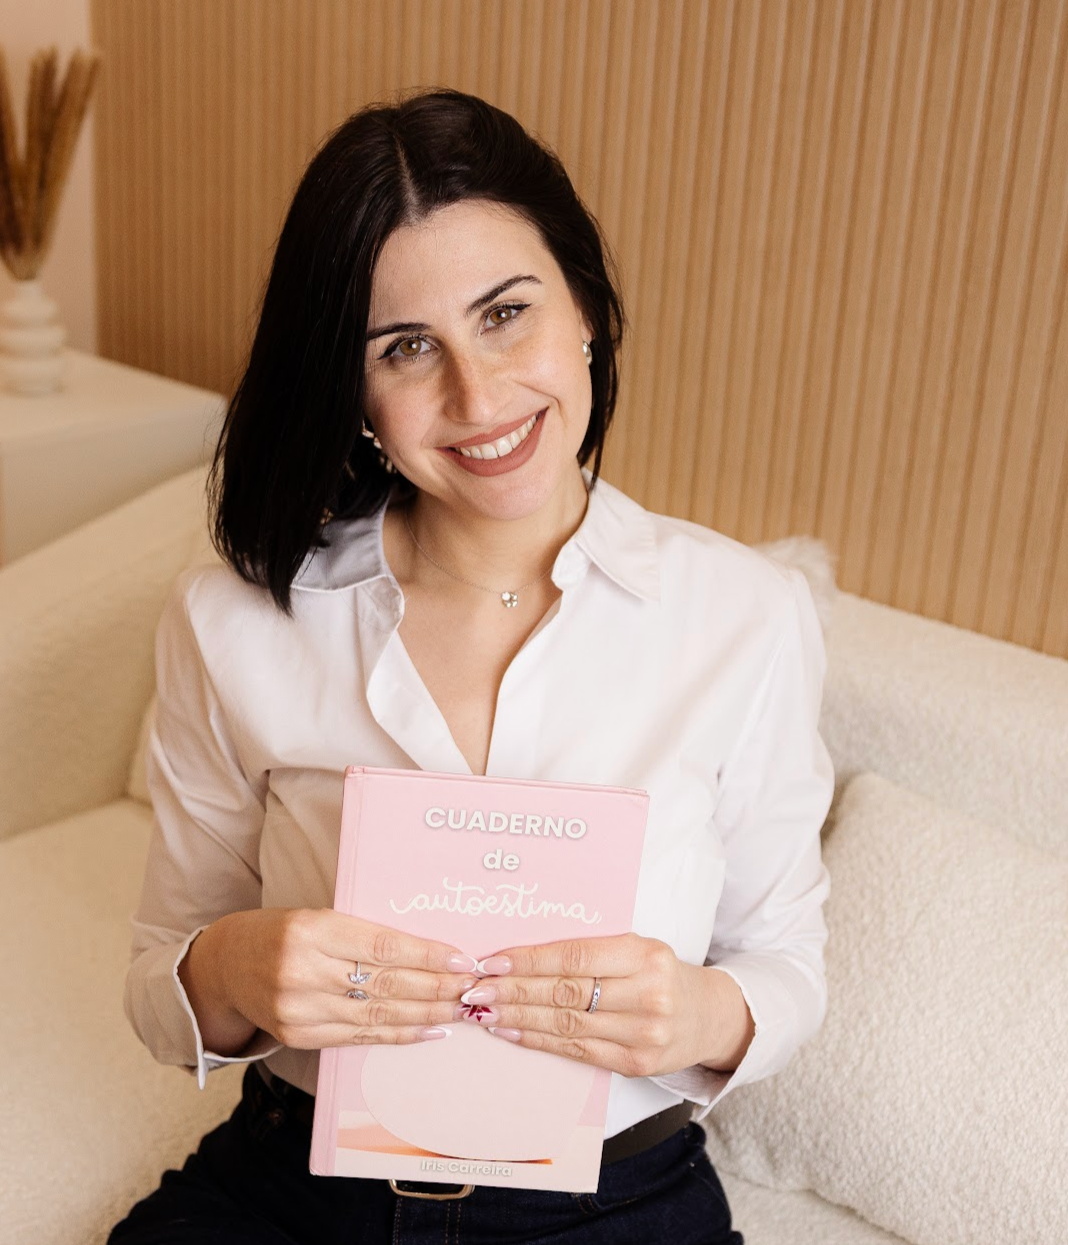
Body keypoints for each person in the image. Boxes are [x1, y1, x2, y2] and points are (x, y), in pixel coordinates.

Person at [110, 87, 834, 1245]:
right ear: (353, 398)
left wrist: (698, 1010)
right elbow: (162, 984)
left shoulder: (744, 617)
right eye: (406, 349)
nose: (478, 397)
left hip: (613, 1202)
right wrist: (240, 968)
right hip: (290, 1185)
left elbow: (785, 963)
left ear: (587, 311)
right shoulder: (230, 619)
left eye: (506, 315)